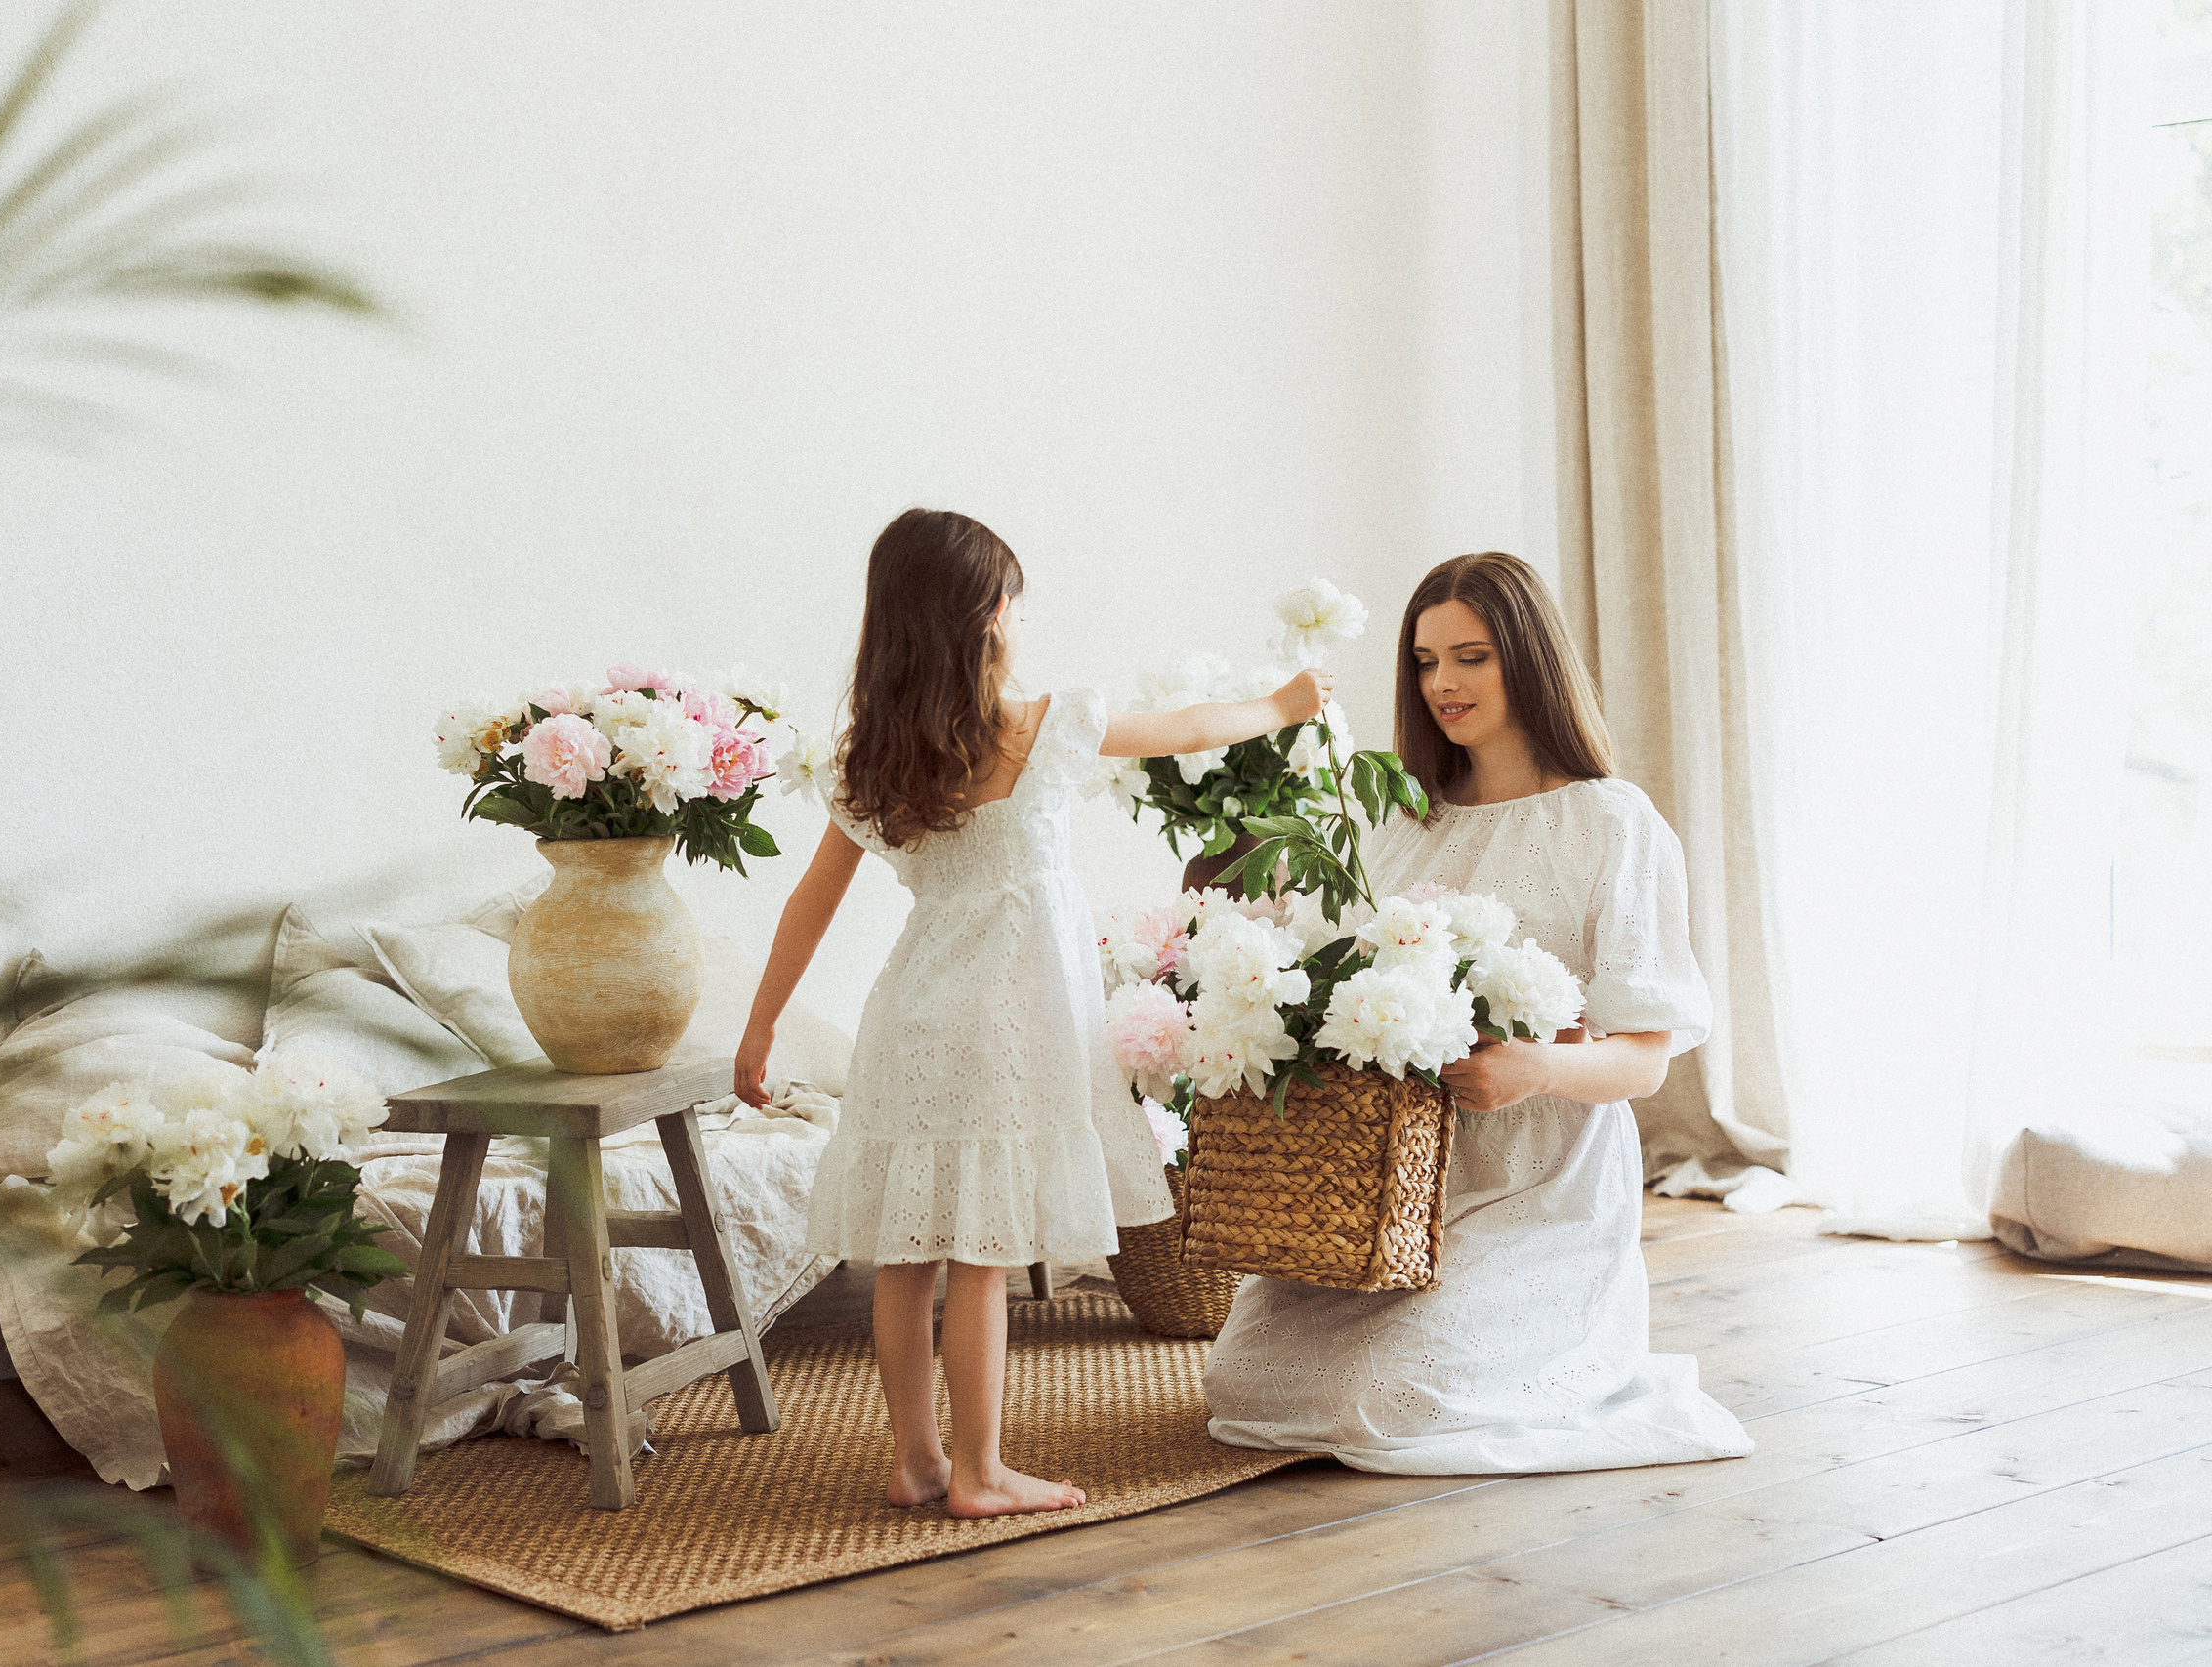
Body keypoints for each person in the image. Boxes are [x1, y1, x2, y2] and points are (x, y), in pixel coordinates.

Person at [735, 507, 1332, 1517]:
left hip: (916, 1014)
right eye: (1010, 597)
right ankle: (979, 1472)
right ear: (985, 615)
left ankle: (917, 1461)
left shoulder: (867, 757)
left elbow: (812, 901)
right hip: (1009, 1027)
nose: (1019, 615)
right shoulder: (1047, 724)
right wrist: (1286, 702)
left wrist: (759, 1028)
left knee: (907, 1252)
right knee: (984, 1251)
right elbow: (1189, 730)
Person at [1202, 551, 1754, 1474]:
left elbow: (1646, 1058)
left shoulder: (1613, 824)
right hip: (1392, 1192)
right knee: (1244, 1380)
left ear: (1529, 659)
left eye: (1471, 656)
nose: (1442, 683)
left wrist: (1533, 1068)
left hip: (1540, 1188)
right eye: (1424, 661)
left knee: (1390, 1399)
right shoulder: (1400, 820)